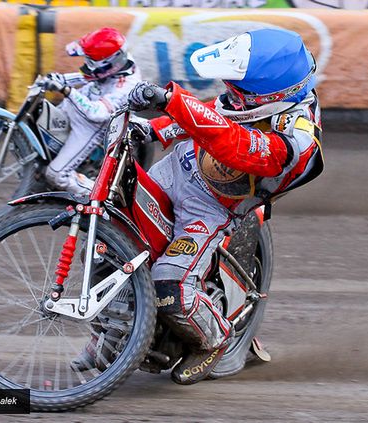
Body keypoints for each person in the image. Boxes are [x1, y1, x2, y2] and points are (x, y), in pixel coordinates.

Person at [123, 28, 324, 384]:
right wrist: (153, 130)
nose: (233, 96)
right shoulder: (253, 98)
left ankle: (214, 340)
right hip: (175, 169)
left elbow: (229, 140)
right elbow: (213, 113)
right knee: (114, 227)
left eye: (241, 91)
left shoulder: (296, 138)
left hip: (212, 207)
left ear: (274, 94)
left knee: (170, 285)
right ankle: (109, 340)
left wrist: (172, 100)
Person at [41, 27, 142, 196]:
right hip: (87, 98)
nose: (87, 64)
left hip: (93, 124)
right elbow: (90, 74)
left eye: (90, 61)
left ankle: (102, 197)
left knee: (56, 175)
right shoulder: (115, 59)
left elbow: (97, 114)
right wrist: (60, 79)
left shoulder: (127, 86)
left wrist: (67, 90)